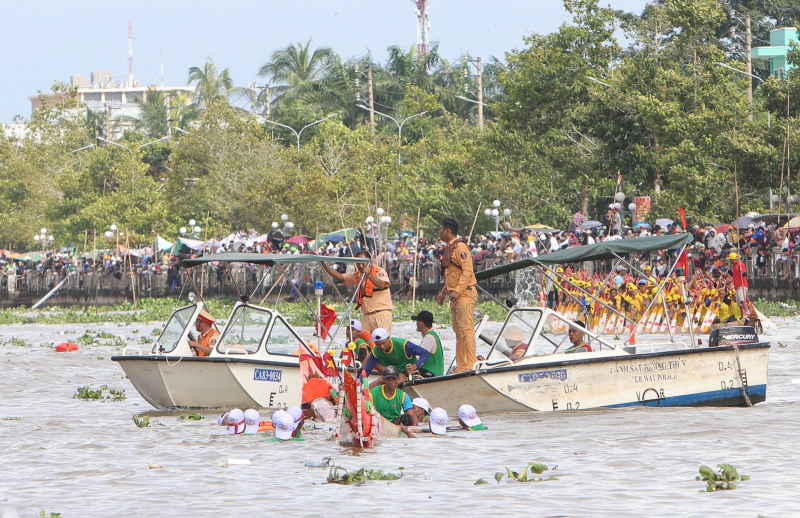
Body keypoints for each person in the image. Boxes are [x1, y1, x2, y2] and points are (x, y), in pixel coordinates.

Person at [436, 218, 478, 373]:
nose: (439, 232)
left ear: (447, 230)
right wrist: (444, 292)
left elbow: (468, 271)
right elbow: (453, 275)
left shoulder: (460, 247)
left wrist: (458, 290)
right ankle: (461, 365)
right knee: (458, 330)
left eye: (441, 229)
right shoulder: (450, 248)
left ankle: (470, 363)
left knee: (466, 329)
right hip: (455, 294)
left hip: (465, 293)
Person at [319, 250, 392, 334]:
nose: (360, 266)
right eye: (358, 263)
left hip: (381, 313)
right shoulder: (358, 275)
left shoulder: (379, 271)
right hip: (366, 315)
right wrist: (323, 264)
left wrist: (369, 275)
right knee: (363, 340)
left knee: (382, 341)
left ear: (370, 262)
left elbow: (382, 284)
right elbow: (339, 276)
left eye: (363, 262)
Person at [361, 328, 431, 385]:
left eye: (383, 343)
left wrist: (415, 366)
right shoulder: (376, 351)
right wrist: (359, 381)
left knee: (392, 382)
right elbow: (367, 370)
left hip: (405, 372)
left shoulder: (403, 345)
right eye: (378, 344)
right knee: (369, 358)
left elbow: (425, 353)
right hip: (390, 372)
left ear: (388, 338)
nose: (382, 346)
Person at [411, 310, 444, 377]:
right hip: (435, 371)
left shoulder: (429, 337)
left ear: (420, 323)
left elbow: (421, 355)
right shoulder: (433, 335)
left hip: (432, 372)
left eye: (417, 321)